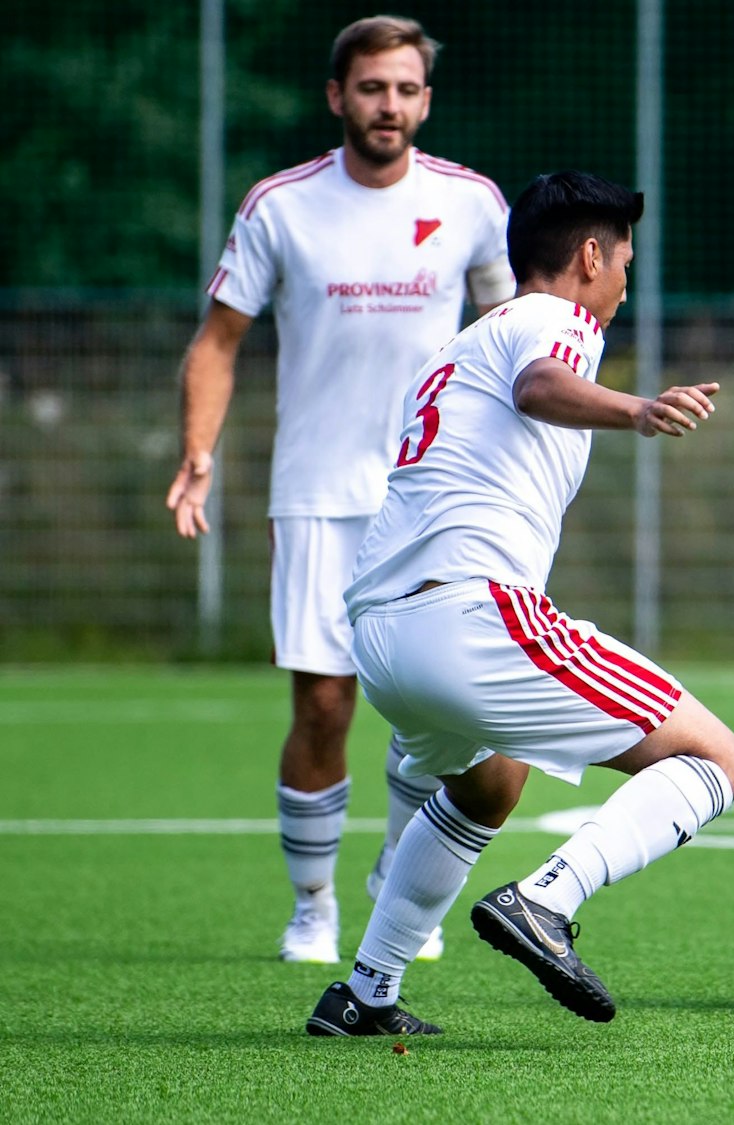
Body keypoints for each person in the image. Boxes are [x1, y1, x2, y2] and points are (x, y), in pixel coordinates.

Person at [305, 171, 734, 1036]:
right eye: (625, 260)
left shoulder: (458, 346)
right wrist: (640, 409)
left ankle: (366, 991)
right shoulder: (557, 319)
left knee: (488, 783)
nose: (625, 280)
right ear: (591, 255)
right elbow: (540, 387)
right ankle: (548, 899)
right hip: (466, 618)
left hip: (383, 635)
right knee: (714, 757)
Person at [165, 15, 515, 965]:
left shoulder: (474, 203)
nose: (388, 106)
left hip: (434, 496)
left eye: (405, 89)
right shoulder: (282, 206)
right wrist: (199, 450)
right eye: (371, 88)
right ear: (338, 97)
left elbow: (510, 334)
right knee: (324, 705)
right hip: (317, 492)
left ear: (425, 101)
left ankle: (398, 883)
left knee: (435, 706)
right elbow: (218, 343)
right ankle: (313, 905)